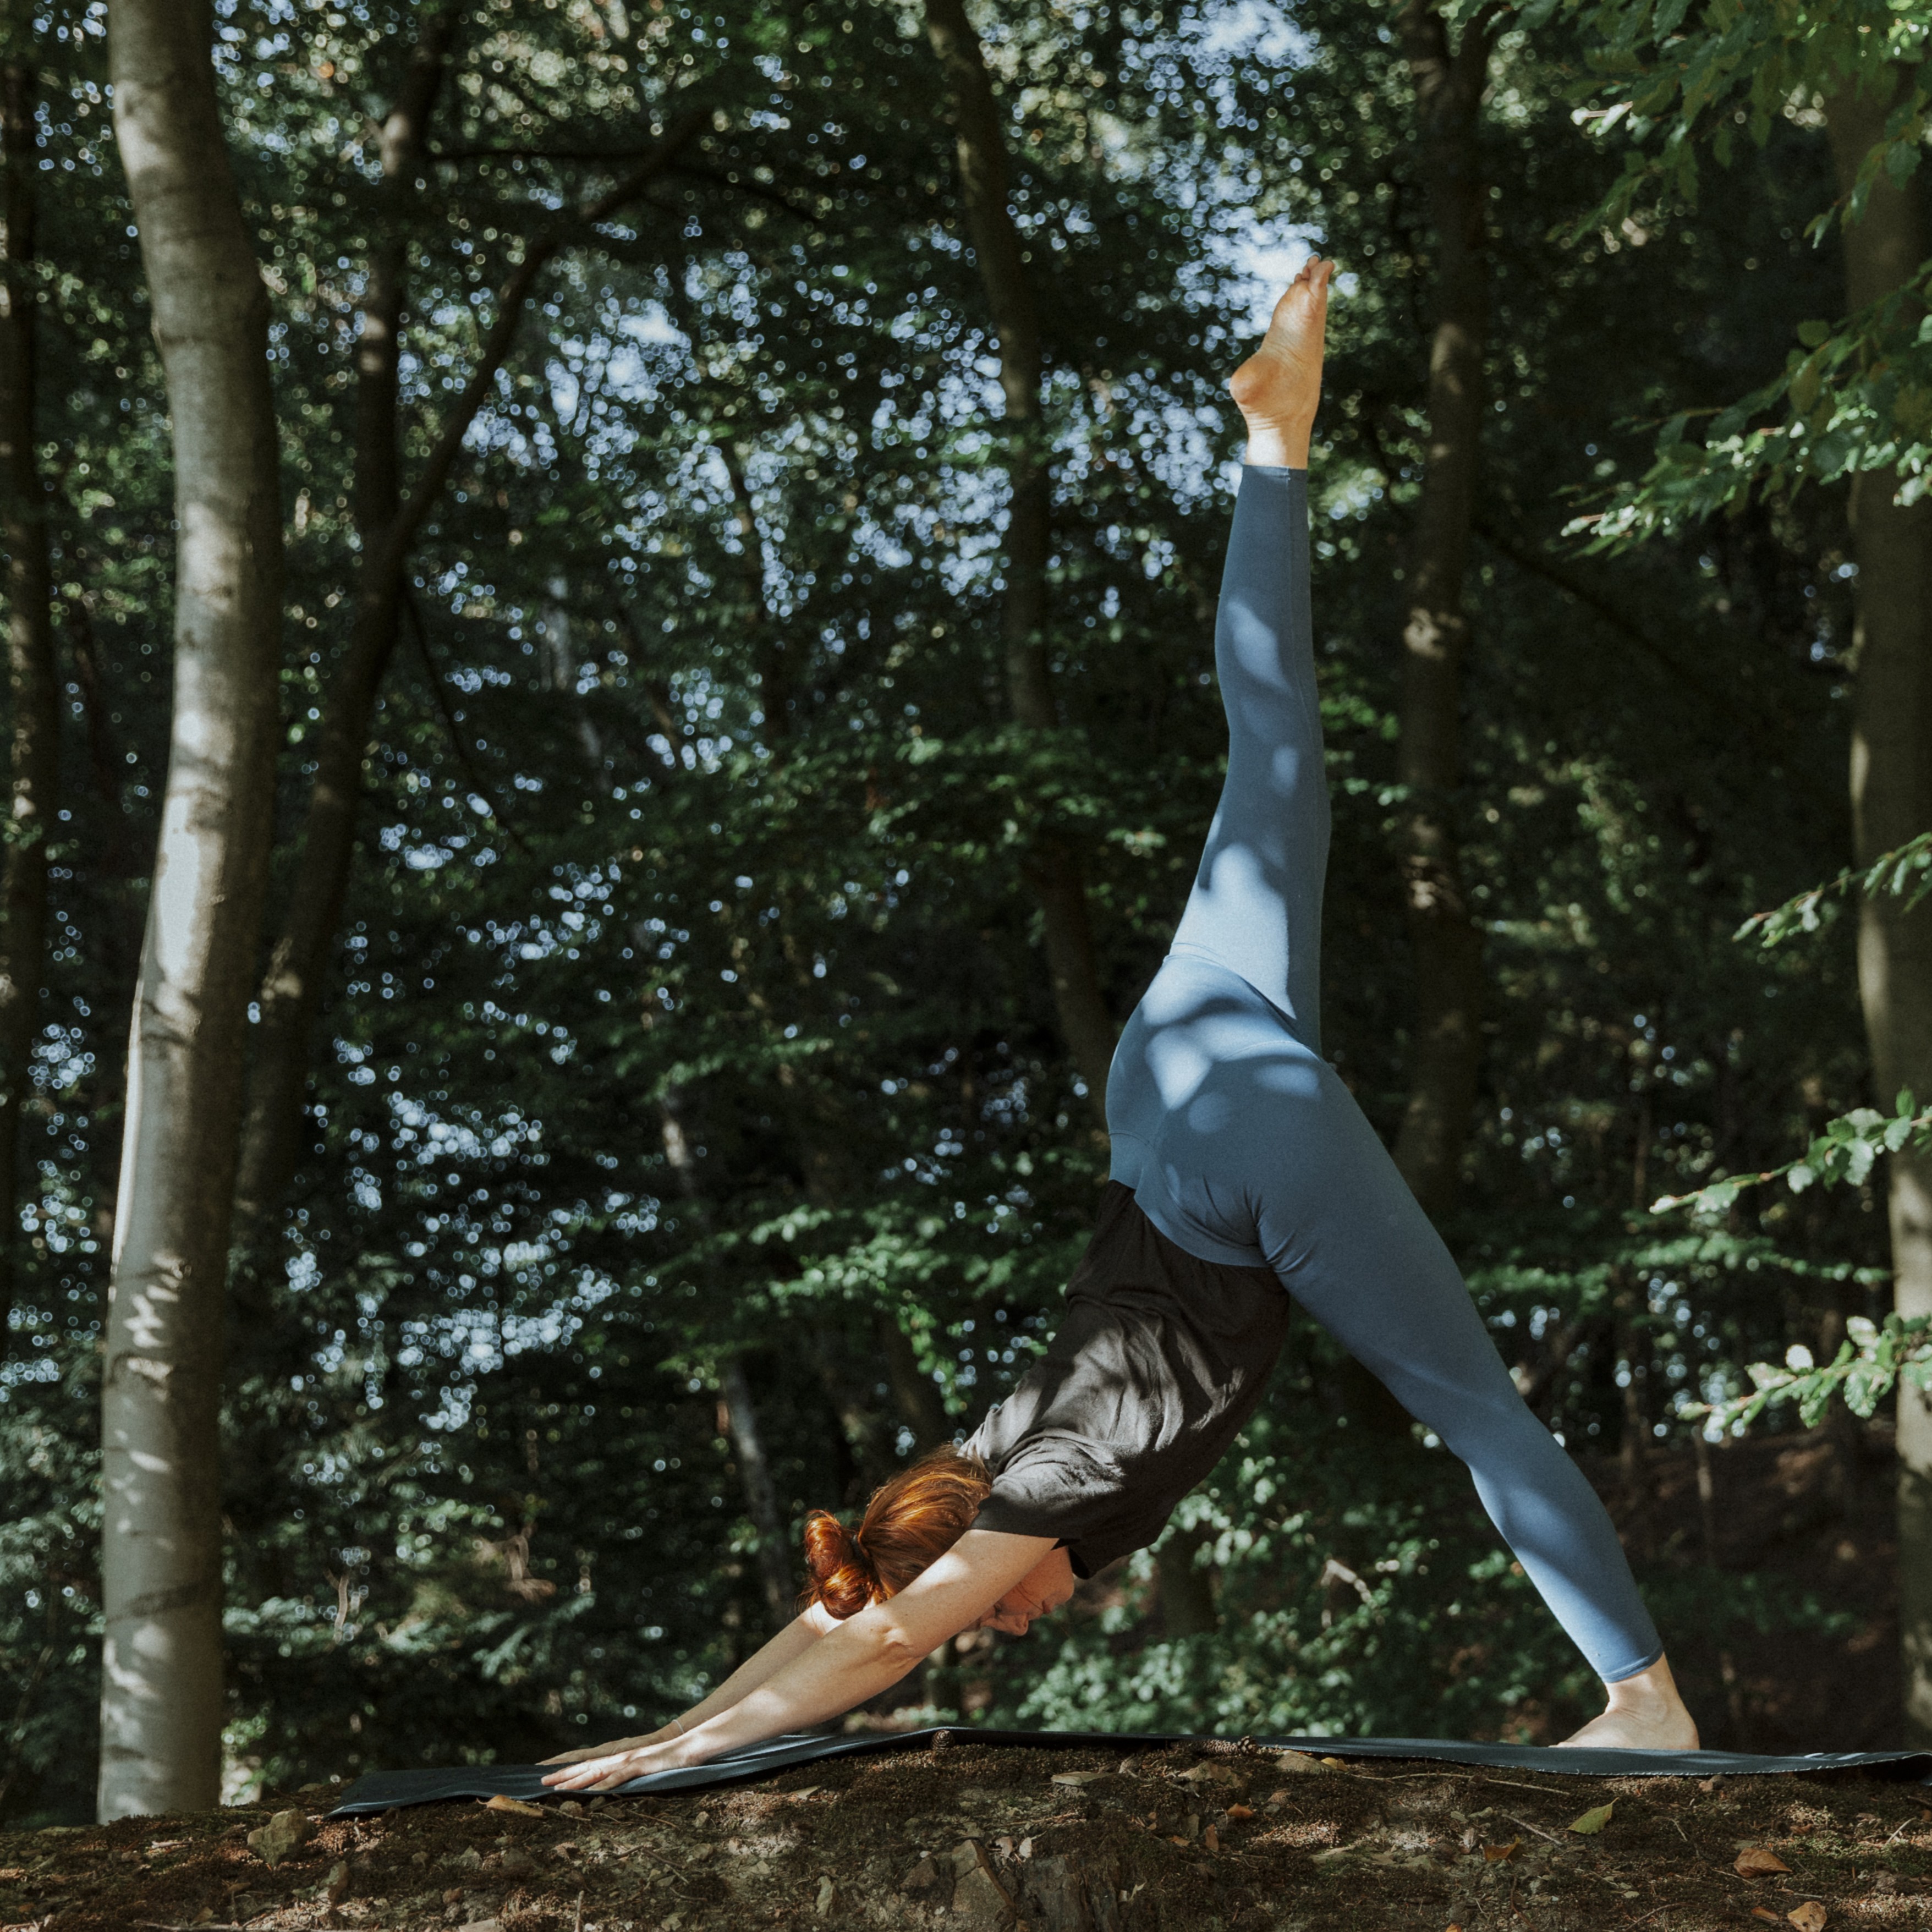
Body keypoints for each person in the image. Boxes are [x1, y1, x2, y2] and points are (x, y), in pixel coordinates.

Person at [541, 259, 1698, 1793]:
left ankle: (1649, 1704)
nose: (1007, 1624)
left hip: (1227, 1150)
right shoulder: (1000, 1445)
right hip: (1179, 1051)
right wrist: (679, 1729)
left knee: (1478, 1410)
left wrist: (678, 1762)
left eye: (993, 1610)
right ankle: (1272, 447)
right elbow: (854, 1613)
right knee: (1272, 750)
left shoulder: (1052, 1470)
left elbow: (889, 1643)